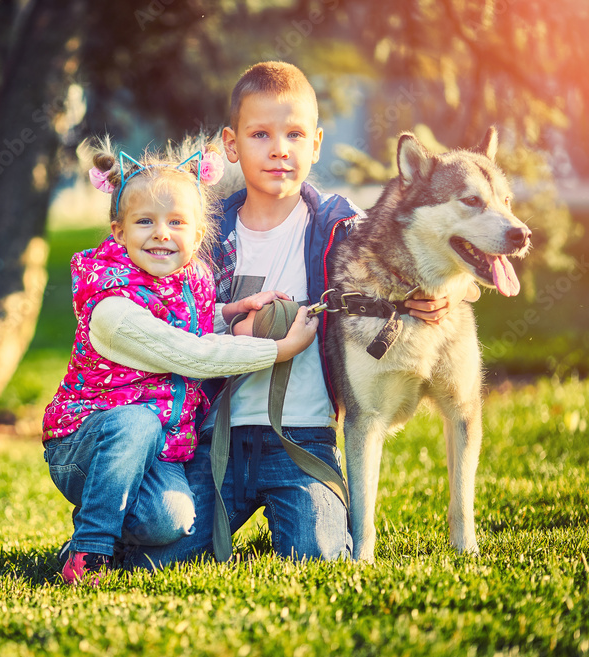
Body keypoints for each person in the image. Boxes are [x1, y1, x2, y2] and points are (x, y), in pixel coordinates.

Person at [129, 61, 479, 567]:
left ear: (315, 144)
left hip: (303, 438)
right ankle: (103, 528)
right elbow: (150, 298)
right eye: (260, 134)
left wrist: (455, 290)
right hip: (216, 440)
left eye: (294, 134)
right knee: (161, 557)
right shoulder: (199, 234)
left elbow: (422, 244)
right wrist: (229, 323)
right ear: (231, 145)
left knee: (316, 555)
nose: (279, 149)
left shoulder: (344, 228)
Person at [42, 138, 321, 585]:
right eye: (145, 222)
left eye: (176, 222)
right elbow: (189, 353)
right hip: (84, 448)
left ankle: (95, 536)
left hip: (157, 449)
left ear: (197, 234)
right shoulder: (110, 306)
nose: (161, 234)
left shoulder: (186, 280)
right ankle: (92, 548)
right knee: (136, 423)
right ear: (119, 231)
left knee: (170, 520)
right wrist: (279, 350)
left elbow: (189, 328)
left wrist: (232, 311)